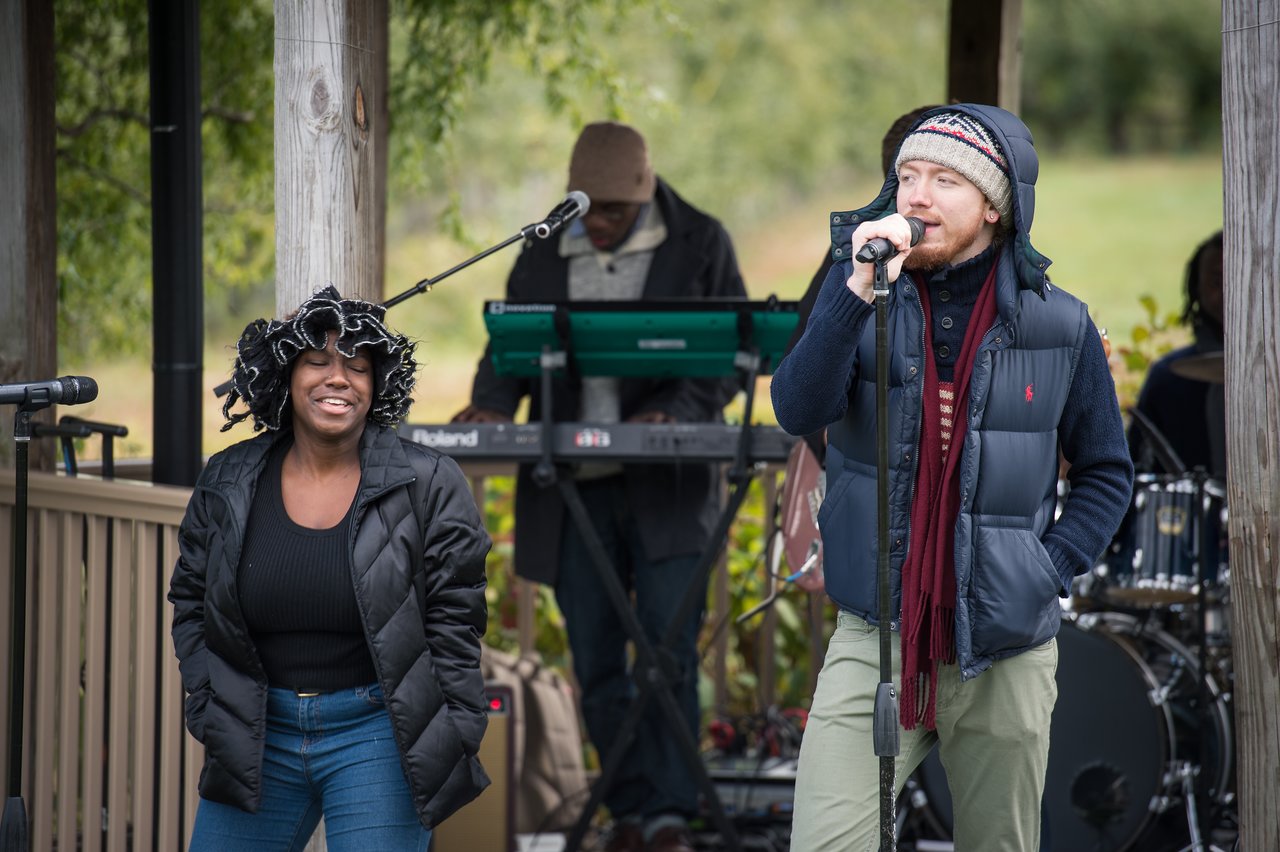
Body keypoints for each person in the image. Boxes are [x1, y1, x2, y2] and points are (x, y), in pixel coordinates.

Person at [771, 106, 1133, 850]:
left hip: (1005, 646)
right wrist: (853, 294)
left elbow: (1105, 472)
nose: (917, 196)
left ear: (995, 206)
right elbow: (795, 407)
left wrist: (1046, 567)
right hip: (876, 637)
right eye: (906, 177)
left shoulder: (1060, 325)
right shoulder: (864, 303)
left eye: (943, 180)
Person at [453, 121, 747, 852]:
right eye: (590, 210)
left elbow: (733, 356)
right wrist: (492, 402)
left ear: (644, 195)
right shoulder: (544, 243)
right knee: (594, 656)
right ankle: (630, 808)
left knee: (668, 652)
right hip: (573, 488)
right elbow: (511, 343)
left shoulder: (701, 241)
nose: (602, 224)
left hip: (669, 487)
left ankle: (673, 812)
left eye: (615, 212)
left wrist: (670, 414)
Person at [169, 286, 492, 851]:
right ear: (286, 376)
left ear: (378, 384)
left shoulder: (431, 482)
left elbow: (456, 620)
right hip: (256, 733)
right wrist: (209, 706)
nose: (337, 378)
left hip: (380, 732)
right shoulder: (227, 478)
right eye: (317, 361)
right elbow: (193, 602)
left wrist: (456, 728)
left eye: (357, 367)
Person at [1128, 229, 1225, 476]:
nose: (1228, 291)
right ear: (1197, 289)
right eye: (1217, 281)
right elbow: (1137, 465)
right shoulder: (1167, 378)